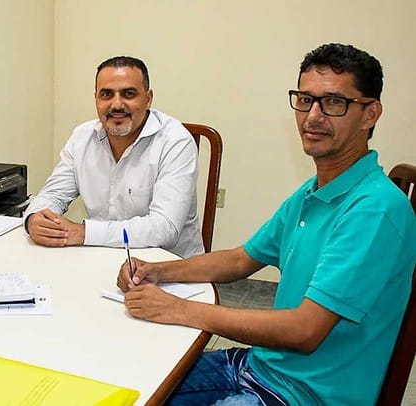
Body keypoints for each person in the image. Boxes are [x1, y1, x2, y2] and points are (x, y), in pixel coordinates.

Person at [117, 43, 416, 405]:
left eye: (334, 103)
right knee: (135, 386)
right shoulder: (314, 192)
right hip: (261, 367)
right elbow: (241, 259)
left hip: (306, 396)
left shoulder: (375, 210)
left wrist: (179, 309)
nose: (313, 116)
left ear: (370, 114)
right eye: (305, 100)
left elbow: (305, 331)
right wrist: (158, 271)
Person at [24, 56, 204, 258]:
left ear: (148, 98)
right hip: (102, 257)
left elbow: (164, 228)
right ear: (96, 98)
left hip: (169, 266)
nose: (116, 104)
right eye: (106, 94)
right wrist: (35, 219)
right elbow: (53, 195)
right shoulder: (82, 137)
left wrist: (83, 233)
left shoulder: (175, 141)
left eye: (129, 94)